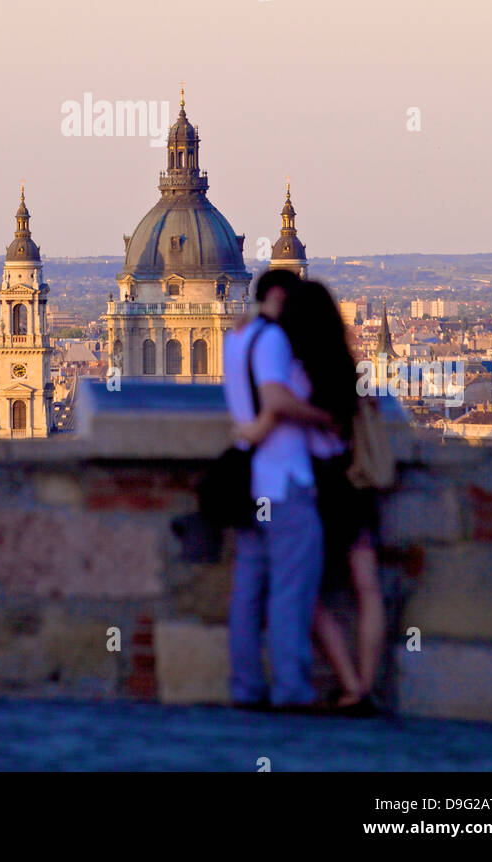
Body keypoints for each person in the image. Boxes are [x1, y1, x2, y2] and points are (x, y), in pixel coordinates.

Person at [236, 281, 385, 714]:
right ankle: (365, 688)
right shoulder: (344, 366)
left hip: (315, 482)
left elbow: (278, 405)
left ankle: (348, 682)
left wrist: (253, 430)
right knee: (367, 587)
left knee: (305, 591)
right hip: (354, 483)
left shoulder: (295, 367)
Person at [224, 269, 333, 710]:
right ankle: (292, 690)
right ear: (279, 296)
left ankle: (246, 687)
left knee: (249, 592)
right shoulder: (273, 339)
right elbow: (274, 401)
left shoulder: (237, 338)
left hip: (252, 483)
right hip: (283, 480)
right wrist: (324, 416)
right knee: (291, 590)